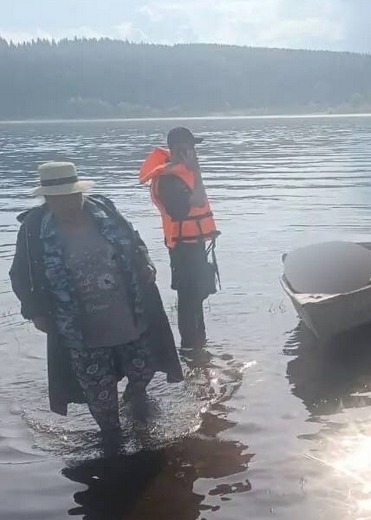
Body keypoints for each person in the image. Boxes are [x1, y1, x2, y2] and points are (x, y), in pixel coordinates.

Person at [9, 161, 184, 443]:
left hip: (128, 314)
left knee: (143, 369)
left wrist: (146, 264)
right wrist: (35, 311)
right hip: (79, 328)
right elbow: (19, 275)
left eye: (73, 196)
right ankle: (112, 439)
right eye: (60, 199)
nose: (69, 204)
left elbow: (135, 242)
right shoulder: (34, 230)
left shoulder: (105, 210)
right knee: (99, 393)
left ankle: (136, 404)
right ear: (48, 200)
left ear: (80, 192)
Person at [139, 127, 220, 349]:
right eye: (189, 149)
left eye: (194, 148)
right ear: (177, 150)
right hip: (183, 248)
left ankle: (200, 348)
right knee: (188, 299)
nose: (194, 153)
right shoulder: (168, 179)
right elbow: (193, 203)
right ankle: (190, 348)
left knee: (198, 296)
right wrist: (197, 171)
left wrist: (193, 171)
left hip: (194, 244)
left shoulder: (181, 173)